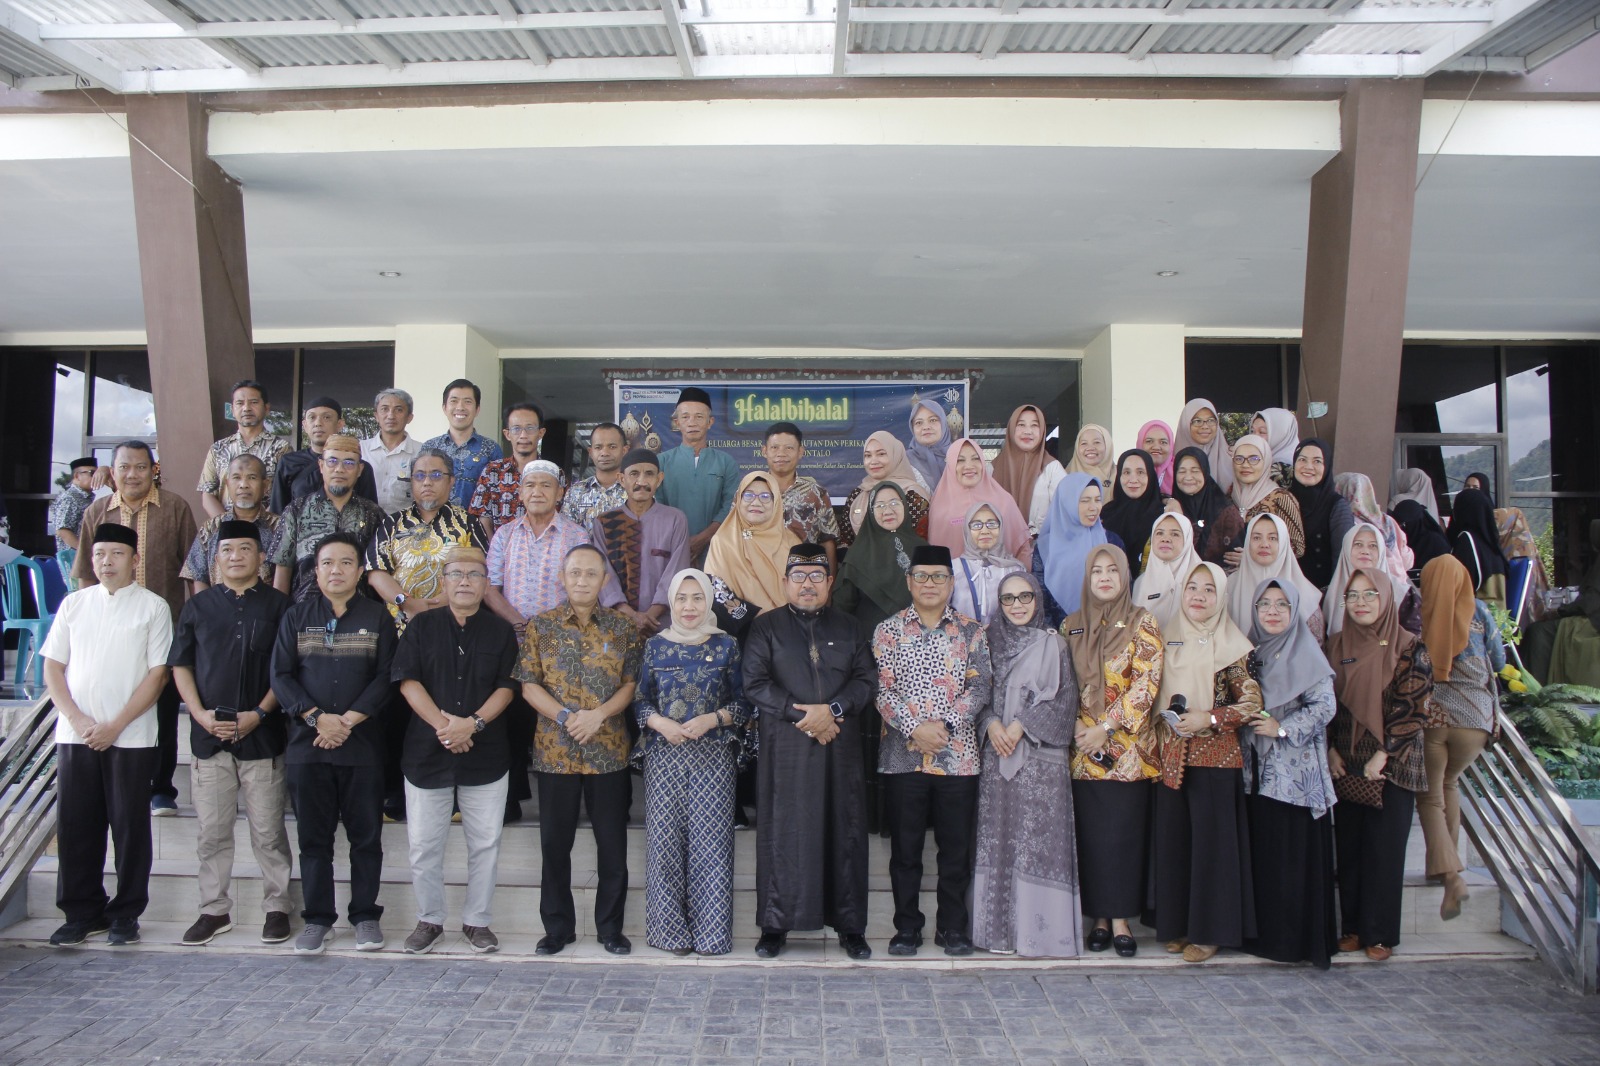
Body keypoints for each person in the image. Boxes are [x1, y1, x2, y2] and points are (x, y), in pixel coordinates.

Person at [41, 523, 172, 948]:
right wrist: (78, 720)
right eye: (99, 554)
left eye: (116, 554)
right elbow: (53, 667)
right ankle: (81, 913)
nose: (106, 562)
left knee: (129, 827)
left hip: (130, 735)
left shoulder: (153, 607)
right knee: (77, 824)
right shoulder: (74, 604)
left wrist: (114, 725)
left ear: (134, 559)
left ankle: (126, 913)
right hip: (76, 734)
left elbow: (158, 675)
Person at [745, 543, 877, 959]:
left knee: (845, 831)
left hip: (840, 744)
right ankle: (774, 925)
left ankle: (851, 927)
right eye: (799, 577)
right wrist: (803, 716)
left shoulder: (851, 627)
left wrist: (831, 711)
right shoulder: (766, 628)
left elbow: (866, 681)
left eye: (816, 576)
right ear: (785, 582)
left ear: (830, 582)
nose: (807, 584)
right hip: (786, 748)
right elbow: (755, 683)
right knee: (783, 831)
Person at [168, 520, 294, 947]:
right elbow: (181, 665)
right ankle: (213, 910)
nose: (236, 557)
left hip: (263, 737)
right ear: (215, 559)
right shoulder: (199, 607)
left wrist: (260, 713)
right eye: (227, 550)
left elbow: (286, 670)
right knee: (212, 833)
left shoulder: (280, 607)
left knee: (269, 832)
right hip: (209, 738)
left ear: (261, 557)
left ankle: (277, 907)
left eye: (245, 549)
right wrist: (199, 715)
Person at [271, 532, 398, 955]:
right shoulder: (296, 616)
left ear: (360, 571)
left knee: (366, 838)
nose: (336, 570)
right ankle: (318, 920)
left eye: (346, 563)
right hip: (308, 747)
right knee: (314, 840)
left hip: (362, 748)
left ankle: (365, 917)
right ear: (315, 571)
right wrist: (316, 718)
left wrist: (347, 721)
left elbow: (387, 676)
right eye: (327, 563)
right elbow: (281, 676)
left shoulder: (378, 617)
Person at [516, 544, 644, 957]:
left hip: (609, 752)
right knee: (555, 846)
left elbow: (631, 684)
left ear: (604, 580)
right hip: (556, 752)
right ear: (562, 577)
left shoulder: (623, 628)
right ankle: (558, 929)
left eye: (591, 574)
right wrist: (566, 717)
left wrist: (599, 715)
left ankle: (611, 929)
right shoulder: (541, 626)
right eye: (575, 573)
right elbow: (529, 684)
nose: (583, 581)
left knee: (612, 846)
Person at [392, 545, 519, 955]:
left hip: (486, 752)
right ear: (443, 582)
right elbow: (408, 681)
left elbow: (508, 687)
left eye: (474, 575)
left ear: (486, 584)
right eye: (456, 574)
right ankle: (429, 919)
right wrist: (445, 726)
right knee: (424, 845)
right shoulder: (421, 626)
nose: (465, 581)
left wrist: (473, 724)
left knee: (485, 844)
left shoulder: (500, 632)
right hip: (427, 752)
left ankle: (477, 921)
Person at [871, 543, 991, 957]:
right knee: (905, 852)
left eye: (938, 576)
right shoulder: (887, 631)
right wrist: (914, 728)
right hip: (902, 758)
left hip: (958, 759)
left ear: (951, 583)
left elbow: (980, 687)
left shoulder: (972, 631)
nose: (929, 583)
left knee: (955, 850)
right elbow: (880, 689)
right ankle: (906, 928)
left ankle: (952, 928)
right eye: (921, 576)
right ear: (909, 582)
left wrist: (945, 726)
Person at [73, 440, 197, 818]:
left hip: (163, 628)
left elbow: (193, 570)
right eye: (124, 467)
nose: (132, 474)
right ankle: (114, 784)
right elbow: (85, 573)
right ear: (112, 471)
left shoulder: (174, 508)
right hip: (110, 630)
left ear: (153, 469)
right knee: (112, 703)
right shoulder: (97, 512)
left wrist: (194, 624)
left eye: (141, 467)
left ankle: (161, 788)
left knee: (162, 708)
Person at [1148, 562, 1262, 964]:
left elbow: (1252, 703)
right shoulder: (1165, 637)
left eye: (1208, 589)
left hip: (1215, 760)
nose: (1198, 596)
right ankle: (1180, 925)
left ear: (1221, 597)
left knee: (1212, 850)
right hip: (1171, 756)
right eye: (1192, 587)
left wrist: (1209, 718)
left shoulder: (1231, 644)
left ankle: (1211, 932)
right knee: (1176, 845)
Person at [634, 569, 749, 956]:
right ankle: (668, 932)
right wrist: (659, 723)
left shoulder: (727, 646)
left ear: (708, 601)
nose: (689, 606)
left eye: (697, 597)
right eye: (681, 598)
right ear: (671, 601)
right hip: (664, 755)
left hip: (713, 757)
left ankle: (711, 934)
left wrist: (712, 719)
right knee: (664, 844)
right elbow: (640, 700)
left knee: (712, 846)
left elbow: (743, 703)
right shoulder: (655, 646)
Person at [971, 571, 1082, 958]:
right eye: (1008, 598)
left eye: (1025, 597)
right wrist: (991, 724)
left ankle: (1040, 936)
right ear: (998, 604)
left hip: (1040, 761)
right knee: (998, 839)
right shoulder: (986, 642)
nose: (1017, 605)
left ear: (1037, 599)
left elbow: (1065, 700)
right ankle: (996, 934)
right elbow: (976, 692)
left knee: (1038, 842)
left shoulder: (1055, 644)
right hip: (997, 754)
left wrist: (1021, 726)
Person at [1326, 570, 1434, 962]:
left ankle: (1381, 934)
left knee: (1383, 851)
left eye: (1370, 594)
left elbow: (1415, 706)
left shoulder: (1409, 647)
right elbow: (1326, 702)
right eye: (1352, 596)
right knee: (1350, 849)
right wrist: (1329, 749)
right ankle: (1353, 928)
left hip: (1393, 765)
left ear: (1387, 598)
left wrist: (1384, 752)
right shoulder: (1336, 646)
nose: (1361, 603)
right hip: (1347, 762)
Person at [1067, 545, 1161, 958]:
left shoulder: (1143, 622)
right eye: (1097, 571)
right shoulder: (1070, 626)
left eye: (1112, 571)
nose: (1104, 578)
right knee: (1091, 838)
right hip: (1083, 752)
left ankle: (1121, 919)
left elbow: (1147, 683)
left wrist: (1105, 727)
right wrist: (1077, 726)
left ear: (1125, 576)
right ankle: (1099, 918)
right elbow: (1061, 683)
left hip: (1127, 753)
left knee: (1123, 837)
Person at [1239, 578, 1339, 969]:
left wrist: (1282, 728)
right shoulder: (1249, 651)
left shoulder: (1306, 652)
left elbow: (1324, 706)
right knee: (1265, 856)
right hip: (1256, 774)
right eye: (1264, 604)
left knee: (1293, 859)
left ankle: (1294, 943)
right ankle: (1264, 939)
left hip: (1295, 776)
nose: (1273, 612)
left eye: (1282, 604)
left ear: (1294, 610)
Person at [1418, 554, 1505, 923]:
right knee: (1449, 783)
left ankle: (1451, 875)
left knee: (1430, 795)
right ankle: (1444, 867)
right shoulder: (1480, 611)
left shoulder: (1418, 612)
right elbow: (1499, 662)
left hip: (1434, 718)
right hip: (1475, 721)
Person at [364, 448, 488, 633]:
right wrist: (407, 603)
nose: (427, 482)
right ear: (412, 481)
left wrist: (432, 607)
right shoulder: (392, 523)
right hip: (399, 628)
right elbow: (376, 572)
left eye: (436, 475)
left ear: (451, 481)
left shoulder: (468, 523)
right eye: (420, 476)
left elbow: (480, 573)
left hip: (453, 626)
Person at [272, 434, 385, 603]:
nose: (339, 469)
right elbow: (283, 568)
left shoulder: (373, 514)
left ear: (360, 470)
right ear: (321, 465)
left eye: (349, 463)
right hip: (304, 610)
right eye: (332, 461)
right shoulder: (296, 510)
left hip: (358, 611)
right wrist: (281, 613)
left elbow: (379, 570)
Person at [591, 448, 690, 636]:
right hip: (617, 624)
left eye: (649, 474)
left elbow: (677, 572)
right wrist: (630, 615)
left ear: (659, 479)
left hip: (663, 625)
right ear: (621, 479)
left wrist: (649, 616)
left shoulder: (675, 520)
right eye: (634, 474)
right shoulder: (604, 522)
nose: (642, 481)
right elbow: (602, 573)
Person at [485, 460, 593, 630]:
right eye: (530, 485)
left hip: (561, 635)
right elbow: (490, 590)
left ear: (559, 493)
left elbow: (585, 591)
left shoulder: (577, 536)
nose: (537, 492)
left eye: (546, 485)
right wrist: (522, 626)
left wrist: (550, 631)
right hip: (513, 634)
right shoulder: (504, 534)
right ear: (521, 493)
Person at [656, 386, 740, 564]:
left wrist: (703, 539)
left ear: (710, 422)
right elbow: (656, 506)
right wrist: (681, 543)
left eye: (699, 417)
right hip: (670, 549)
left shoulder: (726, 462)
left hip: (715, 552)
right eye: (685, 417)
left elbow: (731, 507)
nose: (692, 422)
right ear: (677, 422)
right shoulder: (661, 462)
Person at [181, 455, 284, 593]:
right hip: (217, 605)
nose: (243, 485)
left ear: (265, 485)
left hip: (269, 605)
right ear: (227, 484)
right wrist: (205, 605)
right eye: (236, 477)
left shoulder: (280, 527)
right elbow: (197, 576)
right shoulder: (210, 528)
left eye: (252, 478)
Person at [703, 471, 798, 614]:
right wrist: (755, 619)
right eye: (748, 495)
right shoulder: (723, 541)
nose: (756, 502)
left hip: (788, 622)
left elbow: (801, 589)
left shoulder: (792, 542)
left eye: (765, 496)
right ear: (739, 500)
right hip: (742, 623)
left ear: (776, 502)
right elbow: (717, 592)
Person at [927, 438, 1031, 567]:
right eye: (960, 460)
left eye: (976, 459)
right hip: (957, 578)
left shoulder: (1004, 501)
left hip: (1002, 576)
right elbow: (935, 554)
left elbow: (1022, 547)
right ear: (950, 465)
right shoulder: (940, 506)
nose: (969, 466)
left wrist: (1020, 576)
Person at [197, 379, 292, 520]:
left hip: (267, 528)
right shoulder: (218, 449)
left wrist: (260, 526)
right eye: (240, 403)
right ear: (232, 410)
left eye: (253, 402)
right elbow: (207, 494)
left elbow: (284, 494)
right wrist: (228, 525)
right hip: (226, 529)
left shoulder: (281, 448)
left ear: (266, 408)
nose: (246, 408)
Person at [834, 482, 923, 631]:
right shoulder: (858, 553)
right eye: (880, 506)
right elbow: (842, 607)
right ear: (870, 511)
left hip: (918, 639)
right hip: (870, 638)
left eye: (894, 503)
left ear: (905, 506)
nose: (888, 511)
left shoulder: (922, 549)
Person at [269, 397, 379, 512]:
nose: (318, 423)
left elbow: (371, 513)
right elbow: (278, 511)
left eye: (326, 417)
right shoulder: (289, 462)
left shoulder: (358, 467)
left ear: (340, 424)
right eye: (312, 417)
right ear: (305, 425)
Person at [1228, 513, 1324, 640]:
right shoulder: (1229, 586)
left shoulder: (1305, 594)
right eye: (1256, 538)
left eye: (1273, 538)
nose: (1264, 544)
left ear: (1284, 543)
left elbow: (1314, 647)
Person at [1033, 473, 1113, 627]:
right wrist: (1056, 635)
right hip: (1059, 632)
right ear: (1066, 503)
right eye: (1084, 501)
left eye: (1098, 500)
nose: (1093, 507)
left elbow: (1123, 591)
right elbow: (1041, 601)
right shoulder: (1046, 546)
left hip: (1104, 629)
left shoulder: (1110, 541)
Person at [762, 422, 841, 572]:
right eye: (774, 447)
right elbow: (734, 536)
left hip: (804, 577)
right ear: (764, 451)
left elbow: (827, 541)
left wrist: (830, 583)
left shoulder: (816, 493)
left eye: (789, 448)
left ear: (800, 452)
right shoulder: (749, 492)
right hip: (759, 575)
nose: (781, 454)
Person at [1324, 523, 1422, 637]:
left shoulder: (1404, 595)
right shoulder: (1328, 596)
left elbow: (1411, 642)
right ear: (1346, 549)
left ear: (1381, 552)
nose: (1365, 551)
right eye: (1358, 544)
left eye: (1373, 546)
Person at [838, 431, 930, 549]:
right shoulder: (857, 494)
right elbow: (845, 541)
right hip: (861, 560)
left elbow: (919, 542)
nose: (873, 461)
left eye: (881, 454)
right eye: (868, 455)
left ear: (895, 455)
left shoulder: (912, 494)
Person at [470, 402, 548, 538]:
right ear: (507, 434)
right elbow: (482, 517)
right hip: (499, 549)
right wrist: (495, 548)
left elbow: (561, 519)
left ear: (541, 433)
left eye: (530, 428)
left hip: (544, 549)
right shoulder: (492, 471)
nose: (523, 435)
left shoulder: (553, 474)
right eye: (516, 429)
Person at [422, 379, 502, 509]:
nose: (460, 407)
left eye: (467, 401)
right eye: (454, 401)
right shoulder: (430, 447)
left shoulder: (491, 449)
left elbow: (497, 494)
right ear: (444, 408)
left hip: (476, 521)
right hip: (436, 520)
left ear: (477, 409)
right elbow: (420, 487)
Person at [1226, 434, 1305, 565]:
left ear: (1266, 461)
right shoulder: (1229, 495)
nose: (1245, 465)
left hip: (1267, 574)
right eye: (1239, 458)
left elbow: (1298, 548)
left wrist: (1253, 557)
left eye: (1254, 459)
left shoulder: (1281, 498)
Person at [991, 404, 1066, 537]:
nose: (1028, 431)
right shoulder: (992, 469)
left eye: (1034, 425)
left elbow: (1064, 513)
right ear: (1011, 429)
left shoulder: (1052, 469)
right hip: (998, 545)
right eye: (1021, 425)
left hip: (1040, 546)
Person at [1288, 439, 1353, 589]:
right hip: (1285, 593)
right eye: (1302, 459)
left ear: (1327, 466)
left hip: (1323, 592)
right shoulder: (1282, 499)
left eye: (1317, 461)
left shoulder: (1336, 506)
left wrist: (1334, 595)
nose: (1308, 466)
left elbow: (1342, 557)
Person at [1334, 471, 1415, 586]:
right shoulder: (1387, 521)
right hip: (1397, 586)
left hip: (1368, 587)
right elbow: (1407, 560)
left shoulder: (1348, 524)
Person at [950, 503, 1026, 625]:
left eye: (992, 524)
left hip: (1006, 636)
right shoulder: (954, 568)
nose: (985, 531)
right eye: (976, 525)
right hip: (963, 636)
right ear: (967, 530)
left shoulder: (1015, 570)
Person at [1171, 447, 1244, 567]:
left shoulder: (1226, 512)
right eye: (1182, 471)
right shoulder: (1170, 509)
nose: (1188, 477)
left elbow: (1234, 560)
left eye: (1195, 471)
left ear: (1205, 473)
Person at [1099, 449, 1166, 579]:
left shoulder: (1164, 515)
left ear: (1150, 476)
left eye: (1140, 472)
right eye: (1126, 472)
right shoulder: (1105, 514)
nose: (1133, 479)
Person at [1131, 512, 1204, 629]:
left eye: (1175, 534)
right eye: (1159, 533)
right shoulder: (1140, 583)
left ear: (1187, 539)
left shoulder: (1204, 579)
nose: (1165, 539)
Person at [361, 387, 422, 516]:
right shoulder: (360, 450)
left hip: (406, 524)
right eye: (384, 409)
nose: (391, 415)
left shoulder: (421, 452)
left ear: (409, 417)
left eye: (398, 410)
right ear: (376, 416)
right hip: (364, 523)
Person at [1449, 486, 1510, 610]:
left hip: (1477, 616)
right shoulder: (1491, 544)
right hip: (1498, 617)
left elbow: (1459, 587)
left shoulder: (1466, 540)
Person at [561, 422, 628, 526]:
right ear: (590, 452)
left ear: (624, 450)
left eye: (612, 447)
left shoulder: (635, 490)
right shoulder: (576, 492)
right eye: (598, 447)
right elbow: (566, 531)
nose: (605, 453)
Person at [48, 456, 97, 588]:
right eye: (92, 473)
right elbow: (62, 531)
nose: (96, 477)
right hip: (74, 563)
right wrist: (87, 552)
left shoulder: (86, 498)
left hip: (86, 562)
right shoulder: (70, 497)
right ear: (77, 476)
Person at [1174, 399, 1233, 493]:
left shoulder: (1234, 460)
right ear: (1185, 424)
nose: (1205, 426)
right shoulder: (1170, 463)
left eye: (1211, 420)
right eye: (1197, 421)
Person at [905, 396, 953, 494]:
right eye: (919, 423)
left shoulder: (959, 456)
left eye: (933, 420)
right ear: (912, 428)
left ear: (943, 423)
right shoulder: (905, 462)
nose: (926, 427)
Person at [1392, 498, 1452, 573]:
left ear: (1415, 523)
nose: (1399, 528)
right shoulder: (1398, 539)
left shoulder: (1435, 542)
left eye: (1403, 525)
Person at [1250, 408, 1299, 486]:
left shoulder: (1281, 469)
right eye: (1252, 431)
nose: (1255, 437)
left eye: (1262, 432)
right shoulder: (1260, 460)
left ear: (1280, 435)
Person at [1137, 419, 1176, 495]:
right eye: (1149, 441)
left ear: (1171, 446)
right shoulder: (1128, 472)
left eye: (1163, 442)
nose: (1156, 447)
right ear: (1140, 444)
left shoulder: (1180, 473)